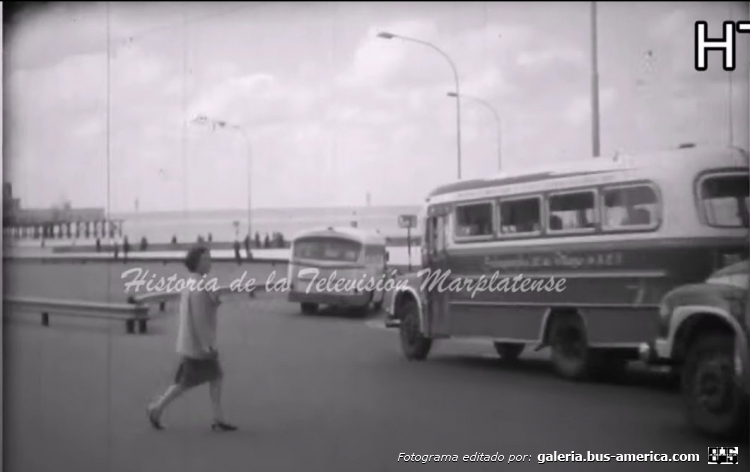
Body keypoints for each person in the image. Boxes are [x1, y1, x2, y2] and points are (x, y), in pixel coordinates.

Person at [146, 245, 237, 432]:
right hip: (198, 345)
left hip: (192, 343)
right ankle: (156, 409)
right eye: (206, 258)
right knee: (190, 382)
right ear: (198, 263)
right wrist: (207, 345)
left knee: (200, 379)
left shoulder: (195, 282)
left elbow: (207, 305)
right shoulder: (198, 285)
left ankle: (217, 418)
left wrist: (215, 299)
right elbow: (199, 317)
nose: (209, 261)